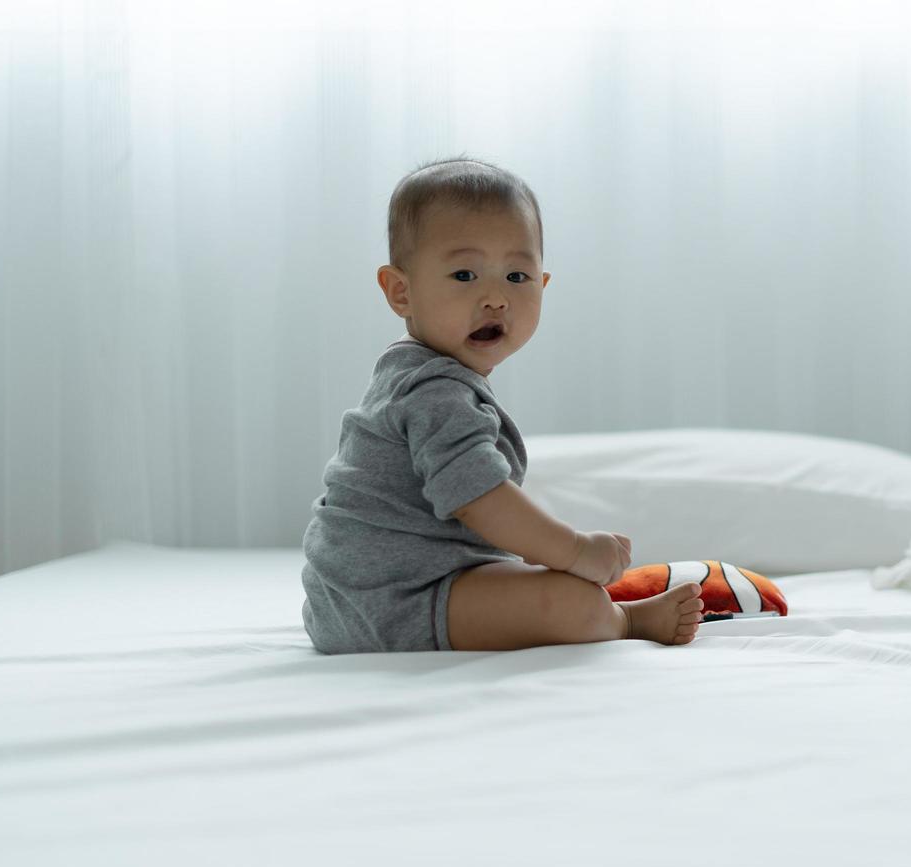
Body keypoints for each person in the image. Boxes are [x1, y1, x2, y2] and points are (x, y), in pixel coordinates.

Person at [300, 156, 704, 653]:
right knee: (568, 601)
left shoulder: (418, 372)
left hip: (370, 595)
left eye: (517, 277)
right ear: (401, 291)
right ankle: (625, 622)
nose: (496, 298)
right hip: (395, 602)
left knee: (547, 584)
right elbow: (481, 497)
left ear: (543, 285)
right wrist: (574, 549)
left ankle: (612, 610)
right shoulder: (434, 389)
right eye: (466, 274)